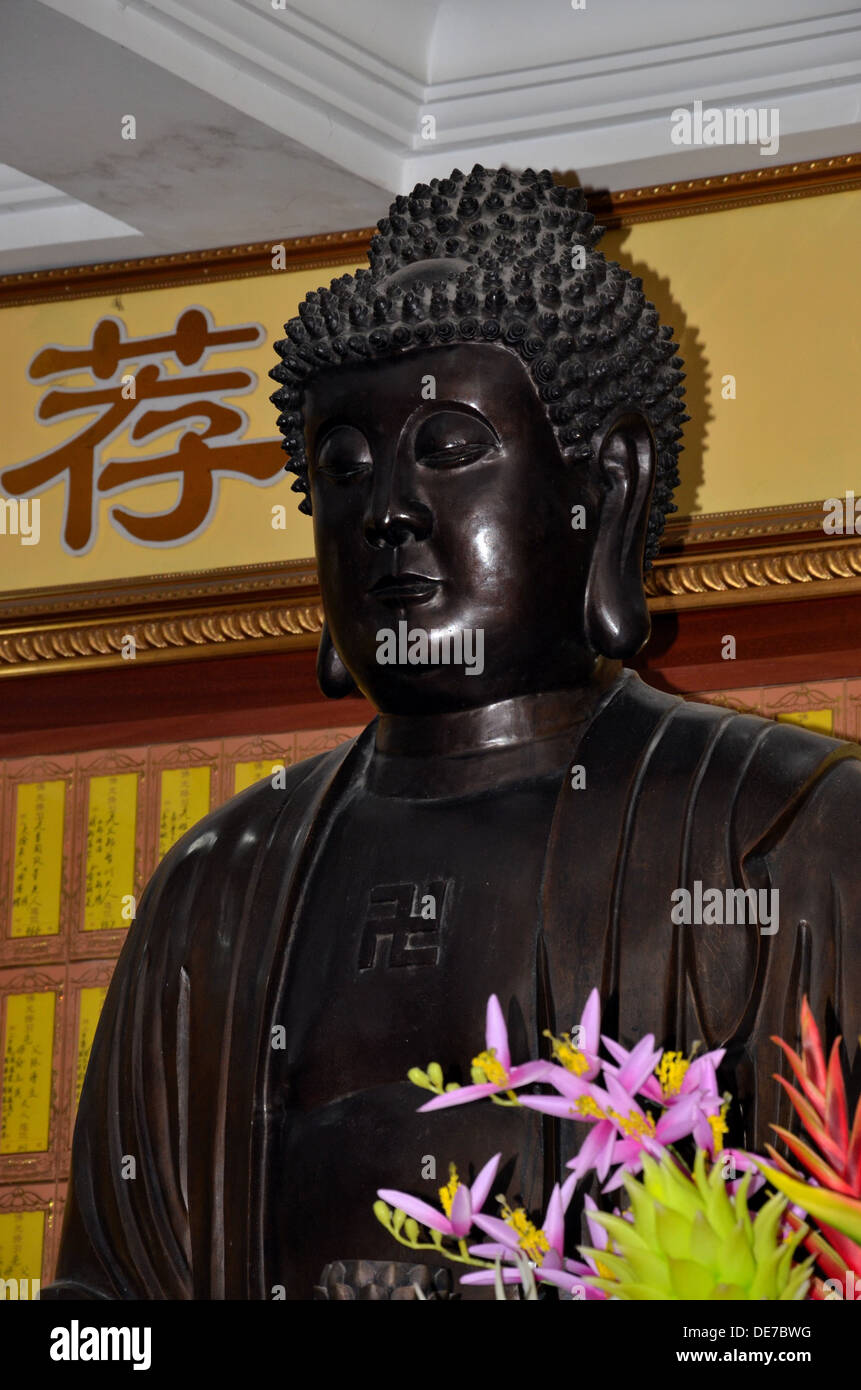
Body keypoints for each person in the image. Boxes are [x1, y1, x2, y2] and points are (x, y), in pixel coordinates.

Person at [44, 166, 861, 1300]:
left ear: (608, 491)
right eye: (344, 466)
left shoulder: (785, 833)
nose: (388, 508)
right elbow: (100, 1313)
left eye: (450, 446)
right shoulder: (215, 888)